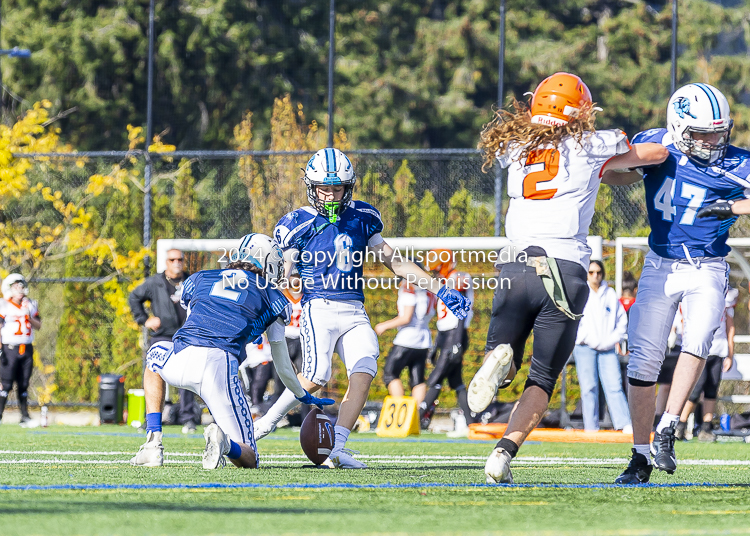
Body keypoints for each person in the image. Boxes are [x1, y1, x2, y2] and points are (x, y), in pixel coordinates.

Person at [463, 72, 668, 484]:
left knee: (505, 360)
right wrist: (668, 144)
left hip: (515, 264)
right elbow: (653, 154)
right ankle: (503, 454)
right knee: (542, 378)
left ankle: (498, 361)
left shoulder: (515, 145)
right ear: (580, 110)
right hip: (564, 268)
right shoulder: (590, 144)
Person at [253, 147, 470, 468]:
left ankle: (337, 447)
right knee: (315, 373)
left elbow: (394, 261)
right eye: (324, 188)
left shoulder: (363, 217)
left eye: (337, 188)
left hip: (354, 309)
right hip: (319, 307)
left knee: (365, 366)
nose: (329, 195)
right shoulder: (297, 223)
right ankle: (262, 425)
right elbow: (283, 270)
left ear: (349, 187)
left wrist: (439, 288)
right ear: (311, 188)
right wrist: (274, 290)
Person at [610, 83, 750, 484]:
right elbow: (617, 175)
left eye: (718, 132)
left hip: (707, 265)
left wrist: (734, 205)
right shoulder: (657, 146)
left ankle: (668, 427)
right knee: (644, 359)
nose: (713, 141)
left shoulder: (736, 163)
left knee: (700, 339)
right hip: (660, 265)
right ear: (678, 127)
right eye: (703, 133)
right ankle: (639, 456)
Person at [130, 233, 334, 469]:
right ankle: (225, 444)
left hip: (181, 358)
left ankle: (153, 443)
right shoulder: (273, 296)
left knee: (154, 356)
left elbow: (193, 312)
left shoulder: (200, 278)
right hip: (219, 367)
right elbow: (282, 362)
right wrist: (300, 393)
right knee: (248, 458)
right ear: (267, 262)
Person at [128, 248, 200, 433]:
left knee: (187, 377)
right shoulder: (155, 282)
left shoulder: (191, 281)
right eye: (172, 259)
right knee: (155, 375)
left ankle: (188, 419)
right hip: (162, 336)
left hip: (186, 335)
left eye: (180, 259)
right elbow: (134, 297)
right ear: (166, 262)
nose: (177, 262)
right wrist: (145, 320)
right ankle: (151, 419)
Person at [418, 249, 475, 430]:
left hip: (456, 334)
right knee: (456, 382)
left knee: (435, 377)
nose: (434, 273)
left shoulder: (458, 277)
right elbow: (443, 320)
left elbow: (461, 313)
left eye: (437, 269)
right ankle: (471, 423)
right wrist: (437, 344)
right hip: (446, 335)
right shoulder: (443, 281)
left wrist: (457, 341)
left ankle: (418, 419)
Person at [573, 260, 631, 432]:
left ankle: (623, 423)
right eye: (591, 272)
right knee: (589, 387)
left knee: (614, 385)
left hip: (607, 349)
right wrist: (587, 338)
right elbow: (574, 320)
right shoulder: (580, 292)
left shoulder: (610, 294)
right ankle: (591, 427)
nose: (595, 276)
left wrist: (610, 340)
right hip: (584, 347)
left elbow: (621, 321)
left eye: (598, 272)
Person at [675, 287, 738, 442]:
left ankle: (706, 426)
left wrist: (730, 353)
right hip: (700, 348)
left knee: (712, 388)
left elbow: (730, 327)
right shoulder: (697, 296)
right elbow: (685, 322)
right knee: (696, 388)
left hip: (718, 349)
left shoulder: (726, 299)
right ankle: (680, 425)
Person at [375, 271, 436, 405]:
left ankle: (401, 411)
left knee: (390, 374)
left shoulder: (408, 285)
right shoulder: (428, 287)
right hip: (424, 339)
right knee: (417, 380)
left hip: (407, 338)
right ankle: (416, 416)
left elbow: (406, 317)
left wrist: (384, 325)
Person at [0, 274, 42, 426]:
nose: (20, 289)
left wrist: (28, 316)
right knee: (6, 384)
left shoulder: (30, 304)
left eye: (21, 286)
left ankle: (24, 416)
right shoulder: (3, 305)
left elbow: (38, 325)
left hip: (26, 348)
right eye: (16, 286)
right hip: (9, 348)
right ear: (9, 288)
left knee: (24, 383)